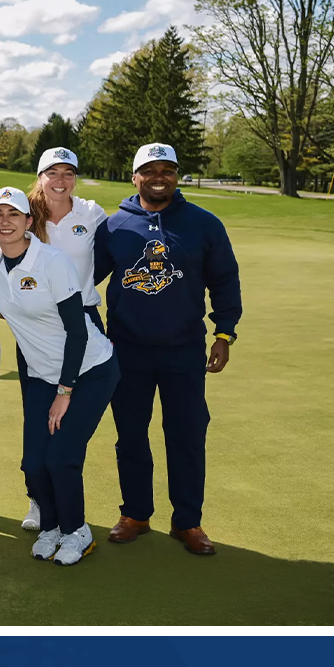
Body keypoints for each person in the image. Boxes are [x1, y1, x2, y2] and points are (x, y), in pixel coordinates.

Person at [93, 143, 242, 556]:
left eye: (168, 170)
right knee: (131, 437)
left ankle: (187, 522)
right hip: (126, 350)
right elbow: (85, 284)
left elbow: (225, 281)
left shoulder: (204, 224)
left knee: (188, 435)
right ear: (135, 176)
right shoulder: (115, 226)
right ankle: (136, 514)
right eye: (150, 170)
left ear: (176, 175)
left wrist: (224, 334)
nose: (159, 177)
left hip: (184, 350)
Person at [0, 187, 119, 567]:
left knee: (61, 458)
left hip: (90, 370)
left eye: (14, 214)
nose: (6, 222)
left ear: (30, 222)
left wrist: (66, 390)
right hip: (43, 376)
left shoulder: (52, 261)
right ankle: (52, 526)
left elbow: (77, 332)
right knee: (34, 464)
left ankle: (77, 531)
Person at [22, 147, 109, 532]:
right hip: (39, 326)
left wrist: (82, 288)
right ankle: (40, 502)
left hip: (84, 319)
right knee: (38, 420)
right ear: (39, 176)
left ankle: (67, 507)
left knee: (70, 427)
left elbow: (105, 259)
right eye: (52, 172)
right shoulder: (23, 214)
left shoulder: (90, 213)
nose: (60, 181)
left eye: (68, 173)